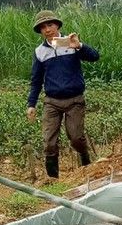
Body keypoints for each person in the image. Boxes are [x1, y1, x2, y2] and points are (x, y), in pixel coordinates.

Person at [26, 10, 100, 179]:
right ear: (40, 31)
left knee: (76, 138)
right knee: (49, 142)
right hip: (52, 102)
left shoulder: (71, 43)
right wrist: (31, 104)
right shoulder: (39, 52)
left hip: (74, 100)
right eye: (43, 27)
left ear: (57, 25)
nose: (47, 29)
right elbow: (36, 80)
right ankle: (53, 180)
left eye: (50, 25)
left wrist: (80, 46)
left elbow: (94, 57)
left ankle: (87, 169)